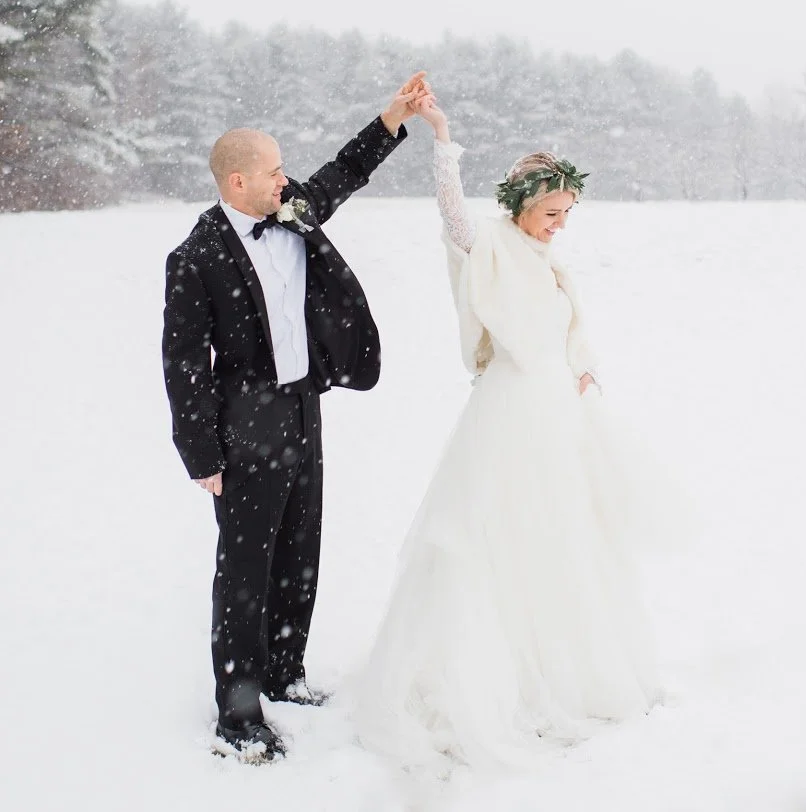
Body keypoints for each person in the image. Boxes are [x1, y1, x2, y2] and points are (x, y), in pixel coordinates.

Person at [353, 93, 662, 771]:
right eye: (551, 214)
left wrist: (580, 369)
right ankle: (483, 677)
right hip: (507, 416)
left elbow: (564, 331)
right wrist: (442, 135)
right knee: (490, 537)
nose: (559, 226)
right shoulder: (489, 242)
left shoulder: (551, 262)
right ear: (521, 205)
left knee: (561, 537)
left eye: (566, 216)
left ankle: (561, 662)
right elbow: (451, 211)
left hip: (555, 414)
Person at [162, 73, 427, 763]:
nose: (287, 178)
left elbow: (347, 169)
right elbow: (183, 362)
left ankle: (284, 673)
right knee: (245, 568)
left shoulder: (294, 210)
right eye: (274, 170)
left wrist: (393, 117)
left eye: (285, 169)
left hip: (303, 409)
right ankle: (239, 712)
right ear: (238, 181)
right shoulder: (195, 258)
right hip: (242, 422)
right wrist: (203, 457)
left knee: (299, 553)